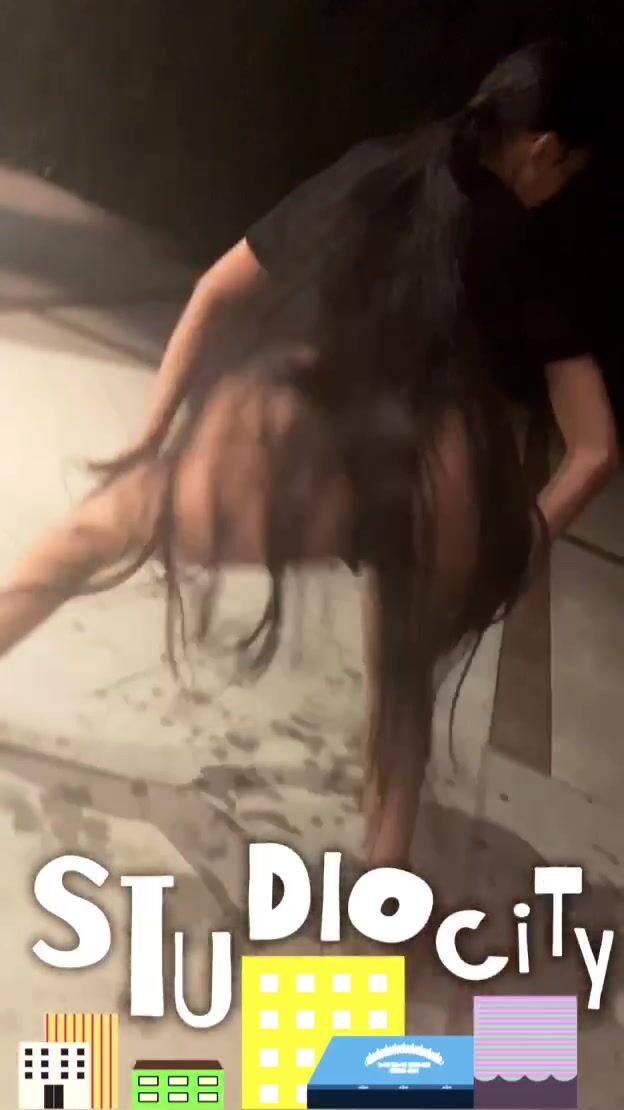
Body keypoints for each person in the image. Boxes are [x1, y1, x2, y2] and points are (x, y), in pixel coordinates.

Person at [0, 40, 616, 870]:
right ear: (543, 151)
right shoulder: (537, 255)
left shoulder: (382, 170)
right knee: (400, 710)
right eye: (568, 175)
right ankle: (380, 915)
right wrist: (520, 542)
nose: (558, 191)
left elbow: (217, 291)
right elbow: (594, 450)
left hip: (314, 453)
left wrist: (151, 439)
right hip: (434, 491)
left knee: (88, 537)